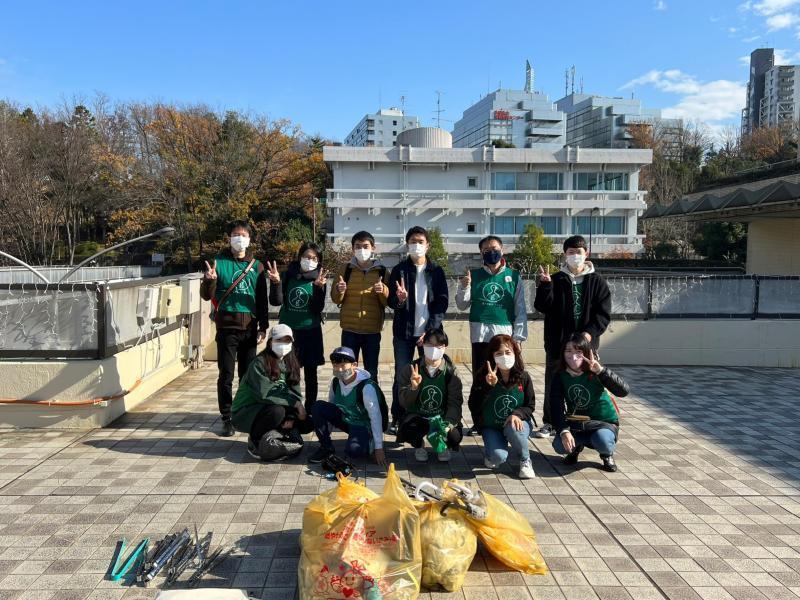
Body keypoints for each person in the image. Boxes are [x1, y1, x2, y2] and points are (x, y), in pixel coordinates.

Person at [532, 235, 611, 439]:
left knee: (586, 382)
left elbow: (603, 315)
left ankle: (585, 421)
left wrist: (589, 334)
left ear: (587, 254)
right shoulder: (556, 279)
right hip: (558, 344)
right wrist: (545, 285)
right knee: (553, 382)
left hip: (586, 347)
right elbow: (542, 307)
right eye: (570, 252)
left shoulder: (597, 282)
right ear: (565, 255)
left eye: (578, 252)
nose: (575, 256)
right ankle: (550, 422)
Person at [200, 220, 268, 437]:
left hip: (250, 327)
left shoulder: (257, 266)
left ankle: (244, 413)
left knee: (247, 375)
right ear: (229, 238)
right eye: (235, 234)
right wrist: (209, 281)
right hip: (227, 328)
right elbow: (205, 295)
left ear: (249, 239)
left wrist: (263, 326)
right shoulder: (218, 263)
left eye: (243, 235)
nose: (239, 238)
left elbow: (262, 300)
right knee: (226, 374)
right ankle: (227, 418)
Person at [387, 226, 449, 433]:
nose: (417, 245)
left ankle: (428, 413)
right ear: (407, 245)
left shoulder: (437, 271)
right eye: (413, 241)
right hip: (404, 334)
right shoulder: (399, 270)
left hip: (429, 336)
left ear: (428, 245)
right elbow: (391, 302)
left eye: (420, 241)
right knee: (402, 376)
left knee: (432, 374)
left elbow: (442, 303)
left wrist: (430, 331)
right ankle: (398, 416)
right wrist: (400, 299)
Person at [549, 333, 629, 472]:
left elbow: (623, 391)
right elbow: (556, 405)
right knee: (559, 445)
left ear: (586, 352)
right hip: (577, 423)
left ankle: (606, 455)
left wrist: (601, 371)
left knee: (602, 441)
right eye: (568, 351)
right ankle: (575, 449)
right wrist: (563, 430)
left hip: (603, 422)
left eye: (578, 351)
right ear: (562, 353)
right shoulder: (560, 375)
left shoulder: (595, 370)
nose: (573, 356)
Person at [230, 324, 310, 461]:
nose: (283, 344)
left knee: (307, 422)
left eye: (287, 341)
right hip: (246, 412)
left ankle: (275, 433)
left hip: (269, 408)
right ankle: (255, 441)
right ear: (270, 342)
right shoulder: (259, 363)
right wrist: (293, 405)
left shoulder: (290, 362)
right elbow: (264, 395)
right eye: (279, 340)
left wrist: (291, 416)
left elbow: (295, 394)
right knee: (277, 412)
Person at [267, 242, 328, 413]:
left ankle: (309, 410)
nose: (310, 260)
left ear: (319, 261)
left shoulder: (319, 279)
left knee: (311, 375)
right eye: (307, 257)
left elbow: (317, 308)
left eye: (314, 258)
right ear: (300, 257)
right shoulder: (288, 275)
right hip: (289, 333)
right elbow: (276, 301)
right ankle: (291, 408)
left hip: (311, 332)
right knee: (289, 373)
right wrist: (276, 283)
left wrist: (318, 288)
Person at [455, 235, 527, 379]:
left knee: (505, 376)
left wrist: (518, 338)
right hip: (479, 335)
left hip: (505, 335)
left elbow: (520, 309)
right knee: (481, 377)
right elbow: (462, 305)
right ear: (481, 253)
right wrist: (464, 287)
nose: (490, 252)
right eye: (486, 250)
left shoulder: (513, 276)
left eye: (494, 248)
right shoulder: (473, 275)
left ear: (502, 250)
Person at [468, 334, 536, 479]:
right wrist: (488, 386)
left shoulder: (523, 377)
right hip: (492, 426)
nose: (504, 356)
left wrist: (517, 414)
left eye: (508, 352)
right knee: (497, 458)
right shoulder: (482, 376)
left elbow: (530, 406)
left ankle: (525, 460)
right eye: (498, 353)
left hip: (516, 424)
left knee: (513, 427)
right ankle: (490, 453)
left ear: (515, 354)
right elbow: (473, 405)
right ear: (492, 356)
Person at [308, 347, 387, 467]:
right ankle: (326, 447)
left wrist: (378, 448)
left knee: (353, 451)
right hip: (348, 419)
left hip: (364, 424)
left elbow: (376, 418)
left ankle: (368, 442)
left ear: (354, 365)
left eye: (343, 365)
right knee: (318, 406)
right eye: (335, 365)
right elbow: (332, 407)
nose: (339, 369)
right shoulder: (336, 382)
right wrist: (324, 433)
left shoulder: (366, 387)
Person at [330, 231, 389, 382]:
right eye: (358, 246)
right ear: (352, 249)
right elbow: (335, 298)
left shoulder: (382, 271)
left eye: (365, 246)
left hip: (372, 331)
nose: (362, 250)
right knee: (347, 371)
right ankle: (347, 402)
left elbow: (388, 302)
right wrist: (339, 290)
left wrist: (383, 291)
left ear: (373, 248)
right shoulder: (346, 269)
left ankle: (371, 403)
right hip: (349, 330)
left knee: (371, 372)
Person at [396, 329, 463, 462]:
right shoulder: (410, 369)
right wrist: (413, 388)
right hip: (419, 416)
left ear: (445, 347)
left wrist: (447, 425)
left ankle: (443, 445)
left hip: (441, 417)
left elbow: (455, 403)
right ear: (422, 345)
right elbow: (404, 403)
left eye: (438, 345)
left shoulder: (451, 372)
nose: (434, 349)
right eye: (430, 345)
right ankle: (419, 445)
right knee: (409, 429)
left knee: (454, 435)